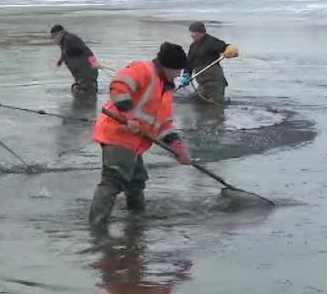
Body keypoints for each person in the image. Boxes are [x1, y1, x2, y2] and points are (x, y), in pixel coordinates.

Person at [88, 42, 194, 230]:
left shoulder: (167, 89)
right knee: (113, 180)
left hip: (136, 142)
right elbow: (118, 87)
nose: (179, 75)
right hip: (117, 135)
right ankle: (96, 229)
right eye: (177, 70)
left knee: (136, 181)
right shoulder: (143, 70)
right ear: (167, 66)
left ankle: (136, 221)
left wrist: (177, 146)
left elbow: (164, 123)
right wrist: (129, 116)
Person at [181, 21, 239, 104]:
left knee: (216, 105)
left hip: (214, 82)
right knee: (196, 102)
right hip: (202, 82)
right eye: (191, 32)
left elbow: (225, 47)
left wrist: (230, 49)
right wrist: (186, 75)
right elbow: (189, 63)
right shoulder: (193, 46)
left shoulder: (211, 42)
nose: (192, 34)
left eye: (195, 32)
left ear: (202, 32)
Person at [50, 24, 101, 95]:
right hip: (81, 76)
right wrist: (60, 61)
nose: (54, 40)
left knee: (86, 95)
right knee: (78, 93)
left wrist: (94, 63)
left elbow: (87, 51)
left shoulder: (70, 39)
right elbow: (65, 52)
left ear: (61, 33)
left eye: (54, 37)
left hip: (87, 74)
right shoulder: (64, 42)